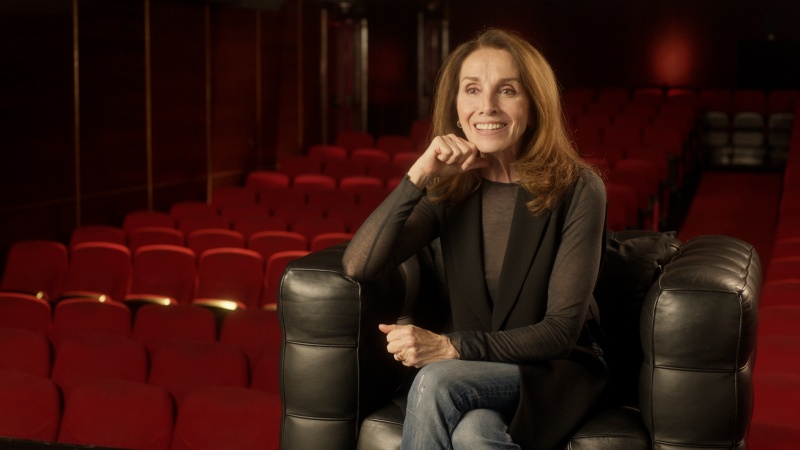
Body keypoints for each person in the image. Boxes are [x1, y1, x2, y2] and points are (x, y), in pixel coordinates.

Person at [342, 28, 608, 450]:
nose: (487, 106)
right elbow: (360, 264)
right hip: (473, 366)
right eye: (472, 89)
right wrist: (419, 175)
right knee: (473, 434)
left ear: (534, 104)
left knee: (435, 381)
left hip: (551, 369)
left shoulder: (578, 188)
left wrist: (451, 346)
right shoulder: (451, 187)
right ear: (456, 105)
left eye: (507, 90)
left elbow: (560, 332)